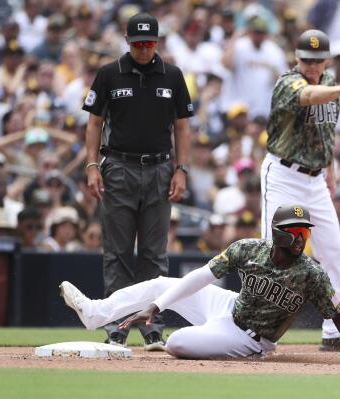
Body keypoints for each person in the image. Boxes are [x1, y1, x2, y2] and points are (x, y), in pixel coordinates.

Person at [59, 204, 340, 364]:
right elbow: (201, 276)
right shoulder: (249, 248)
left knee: (178, 343)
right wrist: (158, 305)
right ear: (278, 233)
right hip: (229, 306)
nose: (301, 238)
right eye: (295, 231)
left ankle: (241, 352)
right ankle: (95, 313)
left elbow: (339, 312)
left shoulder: (311, 272)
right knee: (159, 283)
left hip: (251, 338)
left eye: (305, 232)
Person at [82, 12, 194, 351]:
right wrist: (91, 165)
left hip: (160, 169)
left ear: (157, 43)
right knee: (116, 252)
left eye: (148, 43)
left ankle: (151, 325)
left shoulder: (172, 76)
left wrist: (181, 169)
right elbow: (94, 123)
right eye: (137, 44)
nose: (143, 50)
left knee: (153, 255)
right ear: (127, 42)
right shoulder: (109, 74)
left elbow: (183, 127)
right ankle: (116, 325)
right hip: (118, 165)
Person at [260, 29, 340, 351]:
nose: (313, 65)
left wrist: (330, 172)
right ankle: (259, 328)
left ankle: (335, 332)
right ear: (297, 58)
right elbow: (307, 96)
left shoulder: (329, 81)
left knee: (333, 250)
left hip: (316, 178)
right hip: (283, 173)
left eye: (318, 60)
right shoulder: (288, 82)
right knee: (271, 251)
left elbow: (325, 133)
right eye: (307, 59)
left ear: (327, 60)